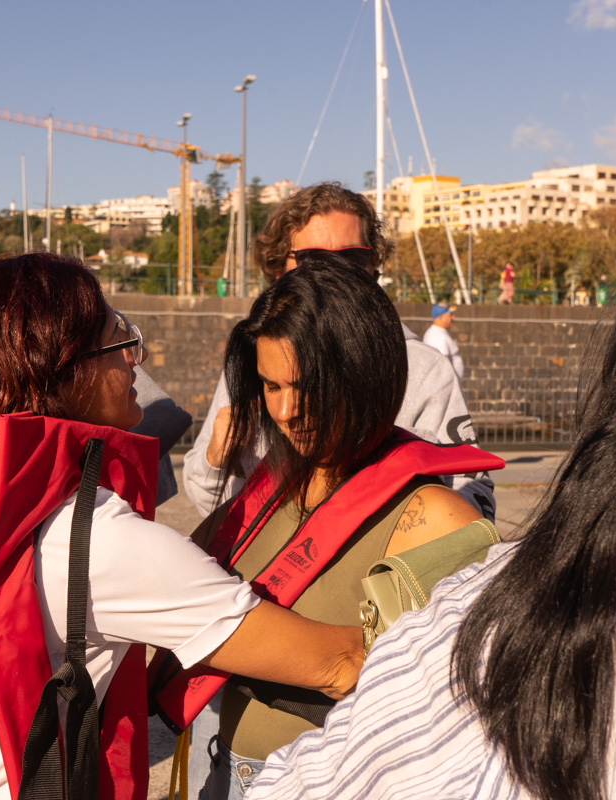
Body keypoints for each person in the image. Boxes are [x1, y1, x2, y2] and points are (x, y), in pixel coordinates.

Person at [245, 139, 616, 799]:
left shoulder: (488, 602)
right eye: (272, 388)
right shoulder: (256, 361)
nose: (289, 410)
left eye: (350, 260)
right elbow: (214, 488)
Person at [0, 254, 364, 800]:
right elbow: (338, 663)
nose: (138, 357)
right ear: (66, 370)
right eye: (119, 339)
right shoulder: (95, 541)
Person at [151, 255, 503, 799]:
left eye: (306, 386)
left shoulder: (438, 518)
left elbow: (461, 707)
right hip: (221, 769)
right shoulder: (272, 486)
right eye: (270, 387)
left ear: (365, 375)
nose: (287, 411)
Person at [183, 182, 494, 521]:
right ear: (277, 271)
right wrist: (216, 460)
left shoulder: (422, 368)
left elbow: (474, 498)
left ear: (373, 267)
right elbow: (208, 502)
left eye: (352, 260)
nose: (336, 275)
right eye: (314, 261)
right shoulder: (256, 359)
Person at [422, 302, 463, 382]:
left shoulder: (438, 332)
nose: (453, 317)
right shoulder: (437, 335)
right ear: (441, 318)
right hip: (446, 385)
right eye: (450, 315)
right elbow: (443, 365)